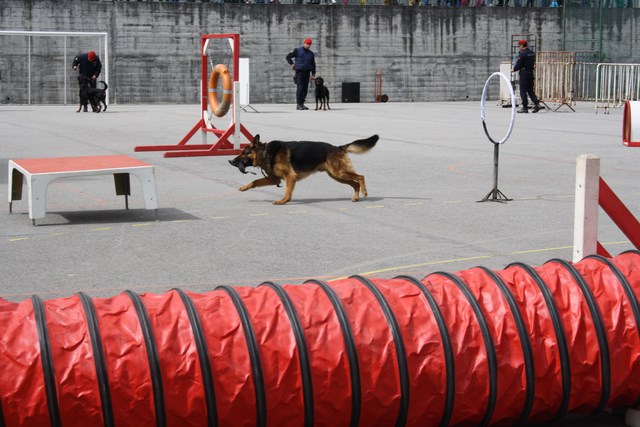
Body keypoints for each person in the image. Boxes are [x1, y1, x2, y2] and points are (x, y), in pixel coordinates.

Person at [286, 38, 316, 111]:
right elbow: (288, 57)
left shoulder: (311, 54)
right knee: (300, 88)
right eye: (307, 44)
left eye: (310, 44)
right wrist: (292, 64)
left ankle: (302, 103)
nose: (308, 46)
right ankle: (298, 104)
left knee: (305, 89)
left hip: (307, 73)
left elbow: (313, 64)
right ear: (304, 43)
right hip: (299, 72)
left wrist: (313, 74)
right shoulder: (297, 50)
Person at [513, 40, 541, 113]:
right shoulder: (531, 53)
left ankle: (525, 108)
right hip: (530, 73)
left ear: (522, 45)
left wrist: (514, 69)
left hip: (524, 74)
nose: (519, 47)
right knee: (530, 90)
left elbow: (519, 65)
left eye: (519, 46)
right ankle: (537, 104)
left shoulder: (522, 54)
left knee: (523, 91)